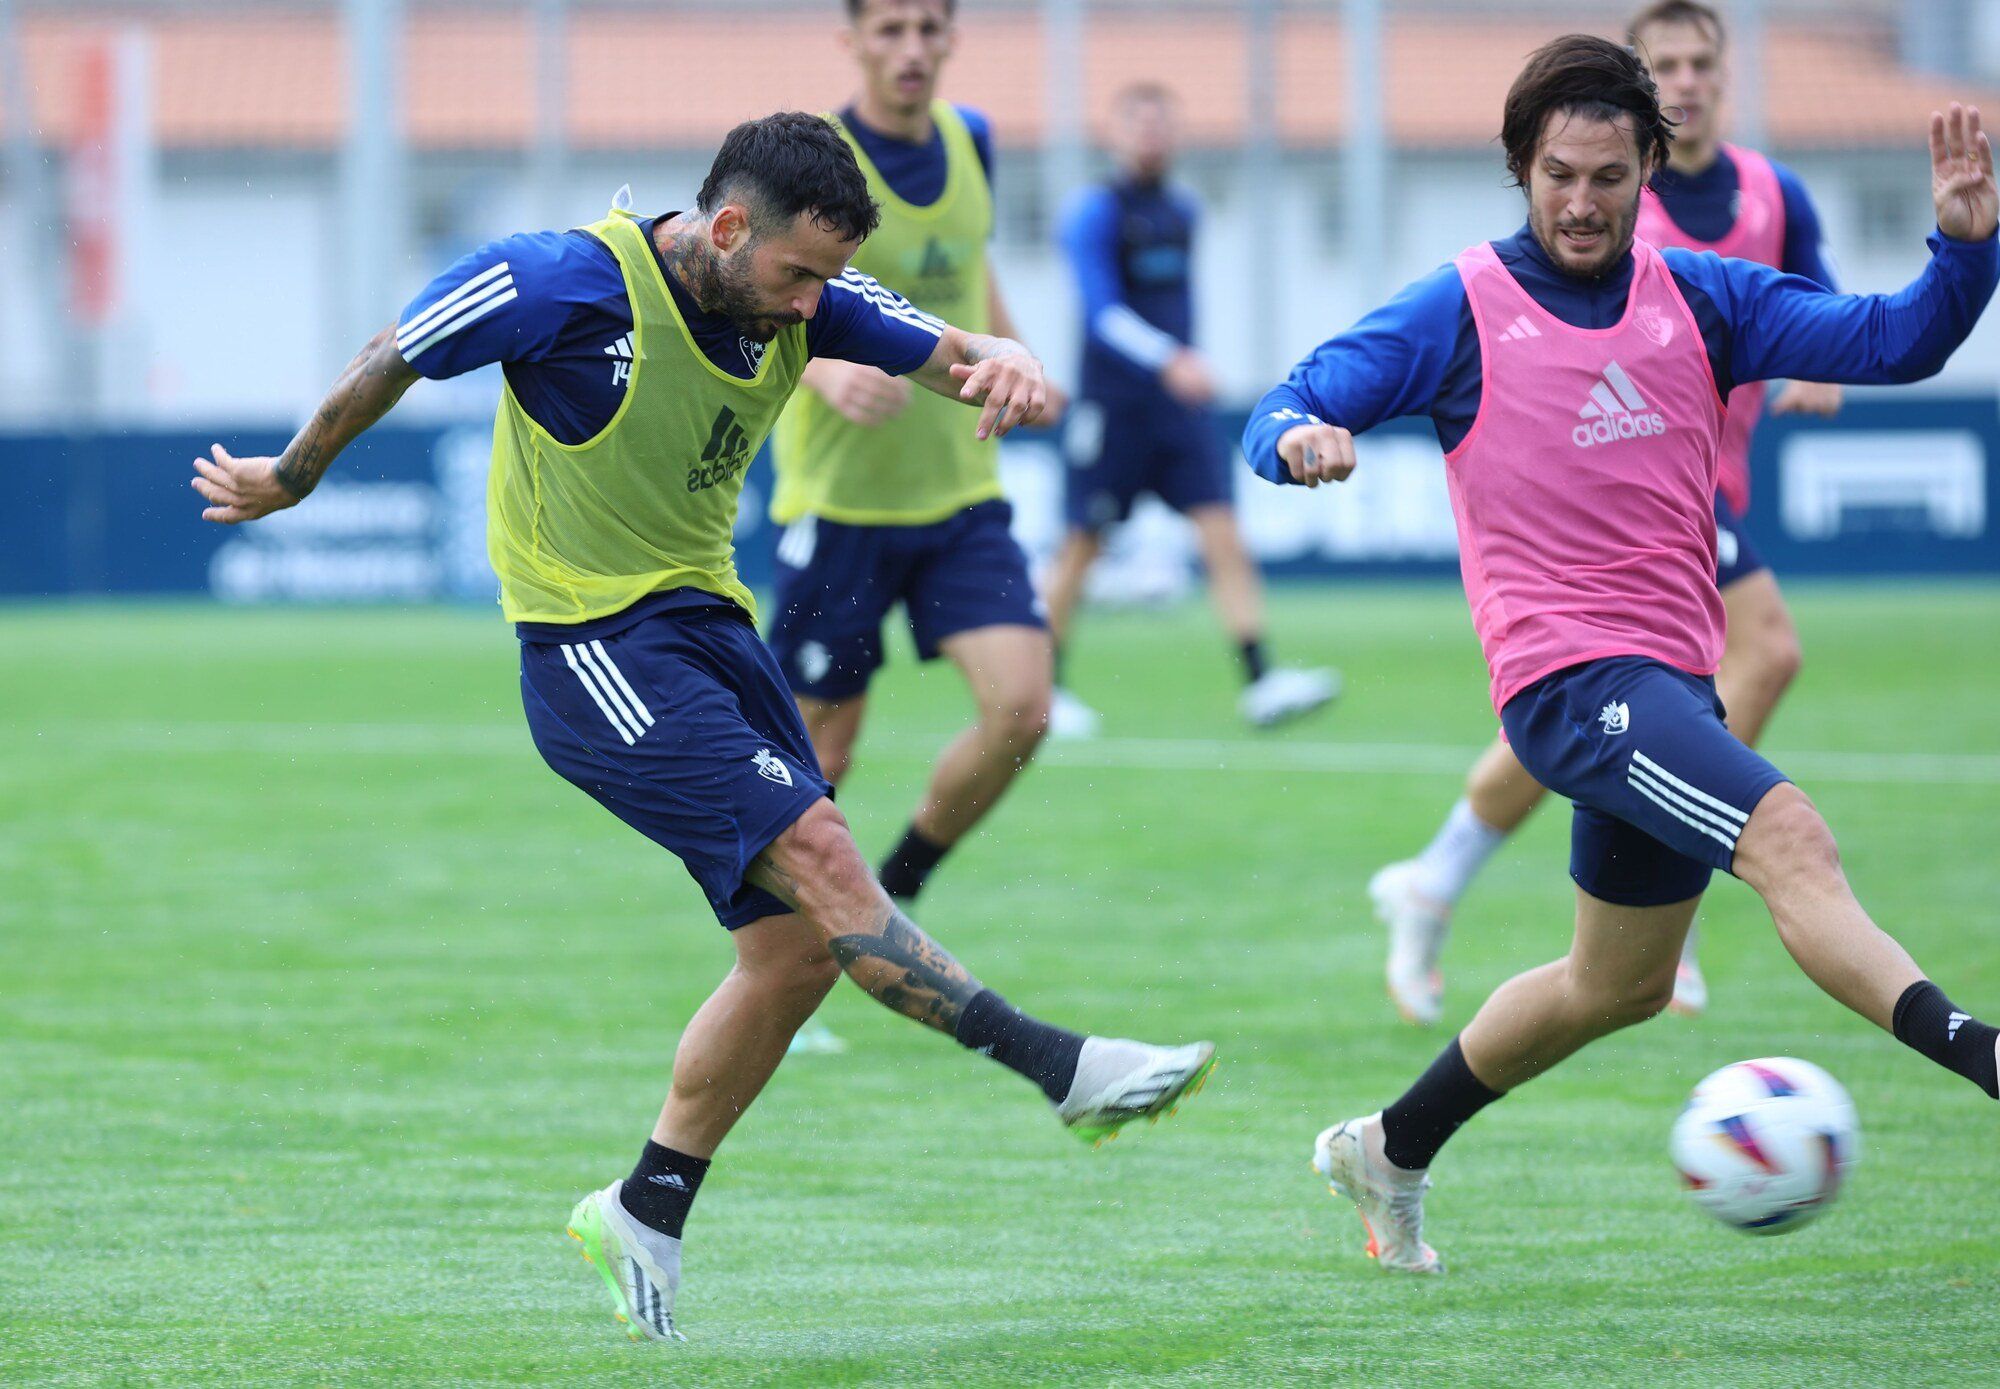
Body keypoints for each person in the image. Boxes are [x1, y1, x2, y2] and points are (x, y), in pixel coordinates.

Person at [189, 112, 1215, 1339]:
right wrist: (291, 476)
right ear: (728, 228)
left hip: (709, 629)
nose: (809, 307)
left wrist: (998, 354)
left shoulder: (805, 293)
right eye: (794, 276)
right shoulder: (558, 282)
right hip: (590, 651)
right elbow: (394, 351)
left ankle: (644, 1206)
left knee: (787, 956)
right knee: (830, 867)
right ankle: (1063, 1070)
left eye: (825, 280)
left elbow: (943, 349)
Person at [1243, 36, 1999, 1274]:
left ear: (1649, 165)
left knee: (1617, 985)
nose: (1580, 202)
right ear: (1517, 171)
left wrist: (1965, 251)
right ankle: (1978, 1050)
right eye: (1555, 176)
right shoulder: (1459, 306)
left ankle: (1388, 1148)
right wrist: (1296, 442)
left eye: (1606, 175)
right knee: (1789, 835)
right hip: (1566, 685)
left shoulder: (1702, 296)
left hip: (1665, 681)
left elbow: (1895, 343)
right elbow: (1290, 397)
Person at [1368, 0, 1843, 1026]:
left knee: (1616, 713)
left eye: (1695, 61)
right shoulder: (1613, 201)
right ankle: (1707, 843)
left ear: (1720, 75)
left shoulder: (1770, 192)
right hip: (1635, 504)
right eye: (1660, 61)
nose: (1679, 78)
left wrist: (1821, 363)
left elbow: (1819, 298)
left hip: (1698, 494)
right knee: (1756, 656)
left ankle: (1437, 877)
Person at [767, 0, 1056, 914]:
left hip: (959, 491)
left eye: (928, 28)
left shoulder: (972, 139)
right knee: (819, 760)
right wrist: (823, 377)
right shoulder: (816, 158)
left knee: (1023, 709)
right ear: (849, 41)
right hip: (842, 501)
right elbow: (758, 294)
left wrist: (1016, 355)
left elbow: (970, 264)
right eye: (888, 29)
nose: (911, 48)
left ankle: (892, 895)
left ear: (951, 41)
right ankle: (787, 960)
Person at [1045, 83, 1338, 739]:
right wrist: (1168, 359)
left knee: (1222, 533)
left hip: (1175, 411)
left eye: (1161, 124)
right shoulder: (1093, 212)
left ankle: (1262, 678)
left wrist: (1178, 367)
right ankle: (1045, 689)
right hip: (1114, 406)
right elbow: (1101, 313)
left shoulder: (1181, 209)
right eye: (1138, 123)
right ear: (1113, 135)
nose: (1151, 135)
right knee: (1080, 546)